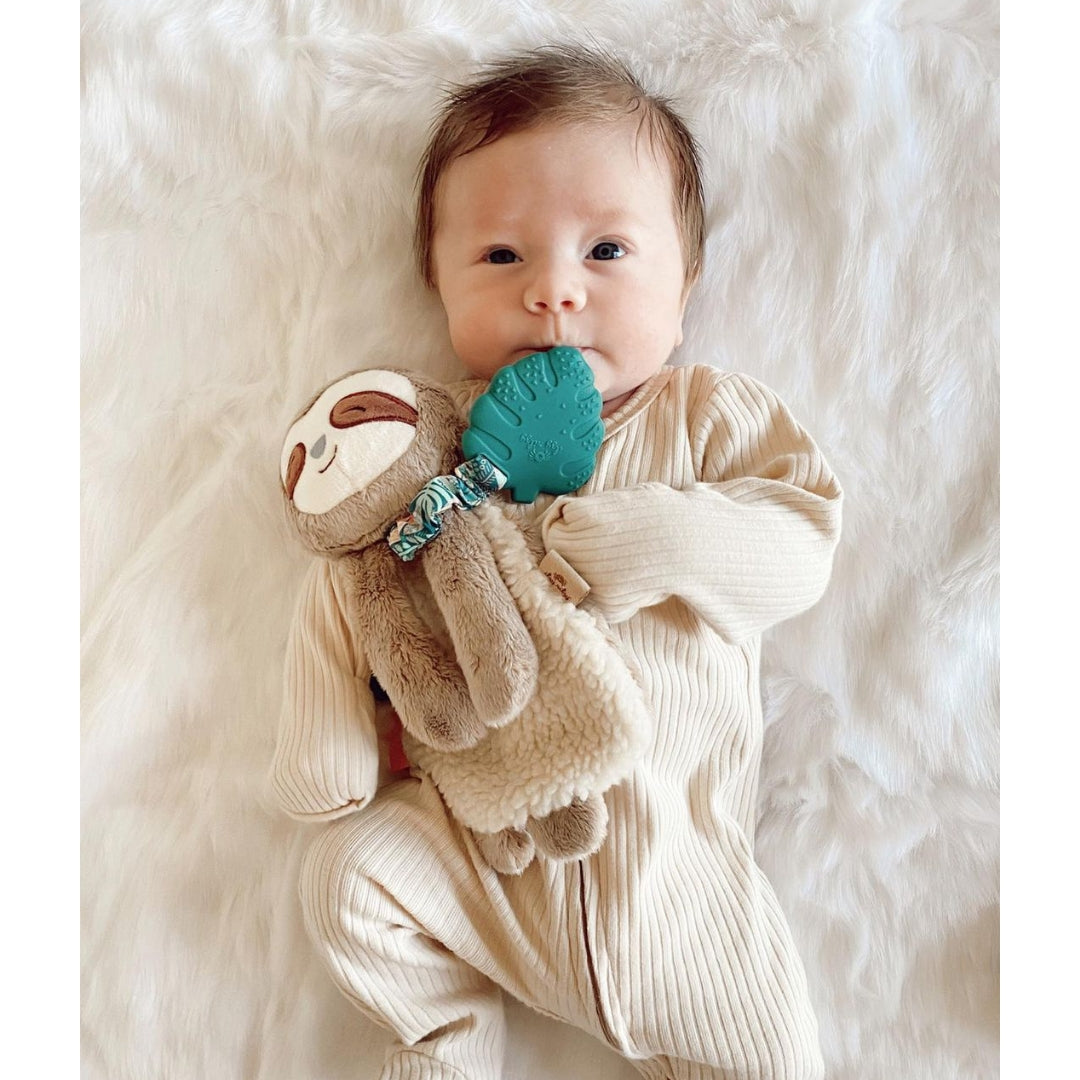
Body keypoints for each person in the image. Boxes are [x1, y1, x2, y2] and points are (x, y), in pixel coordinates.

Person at [273, 45, 843, 1080]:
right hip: (491, 862)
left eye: (607, 250)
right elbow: (365, 589)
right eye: (501, 257)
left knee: (773, 1059)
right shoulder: (430, 454)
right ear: (438, 287)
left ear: (686, 283)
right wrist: (342, 722)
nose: (553, 292)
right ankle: (446, 1040)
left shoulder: (703, 417)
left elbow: (801, 544)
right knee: (348, 878)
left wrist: (653, 537)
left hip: (680, 887)